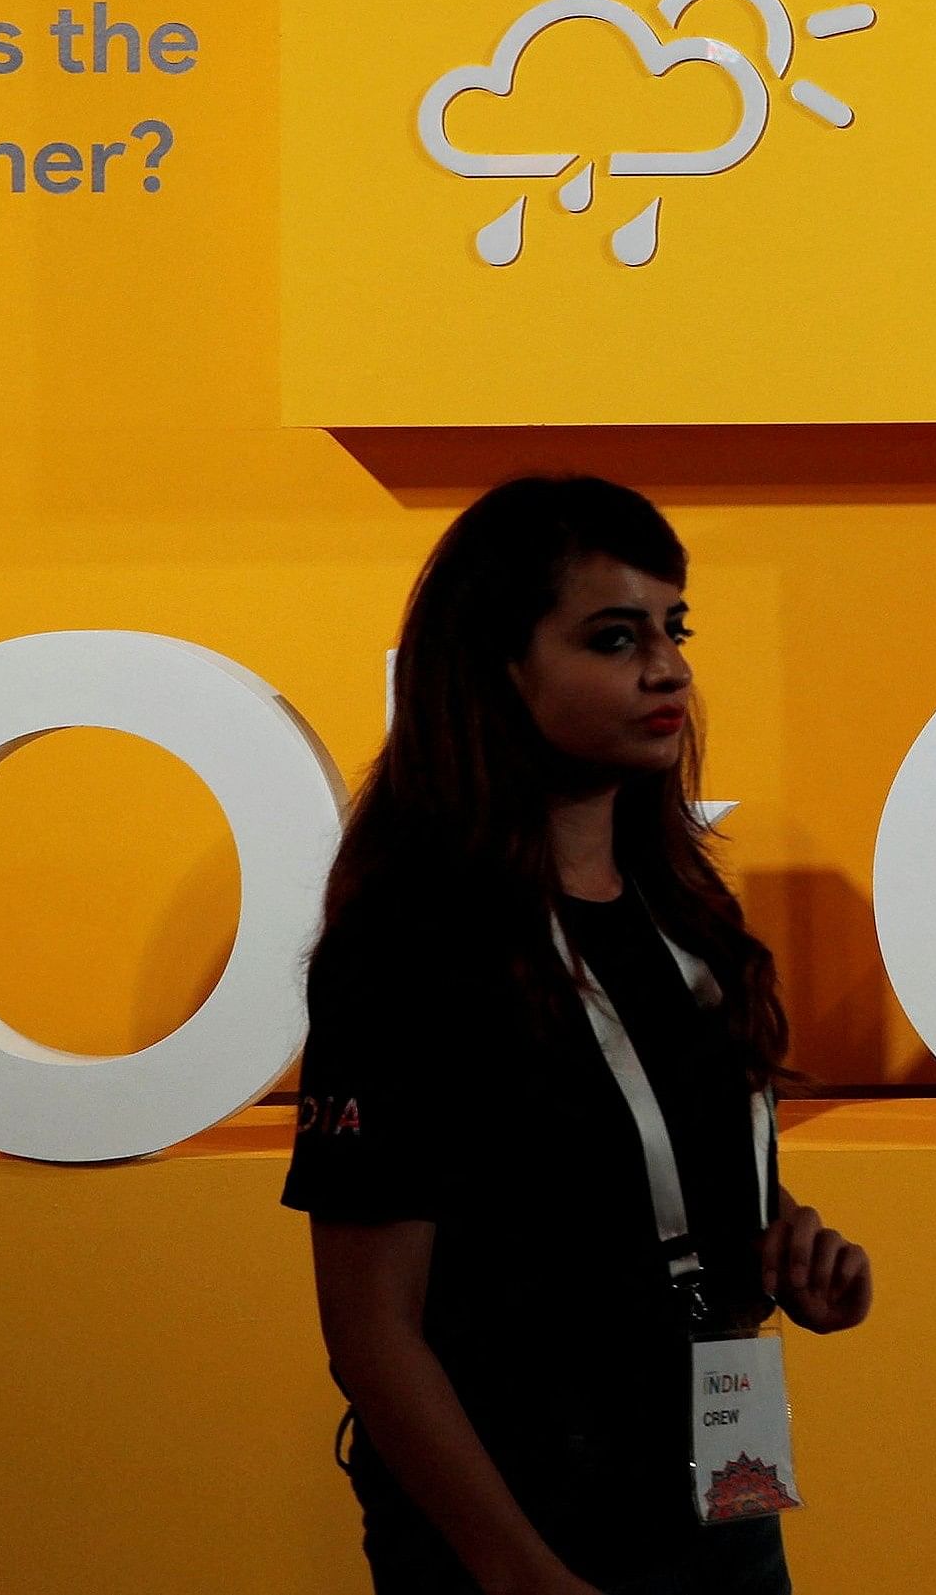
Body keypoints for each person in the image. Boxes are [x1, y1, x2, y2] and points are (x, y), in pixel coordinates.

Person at [285, 476, 872, 1595]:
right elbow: (370, 1332)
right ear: (499, 670)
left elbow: (628, 1180)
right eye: (613, 637)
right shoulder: (410, 949)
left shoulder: (689, 919)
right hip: (531, 1523)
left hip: (726, 1479)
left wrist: (791, 1245)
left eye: (672, 628)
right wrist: (522, 1576)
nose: (667, 668)